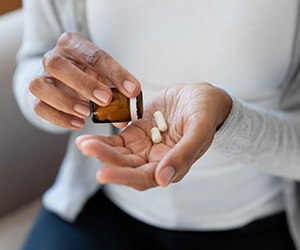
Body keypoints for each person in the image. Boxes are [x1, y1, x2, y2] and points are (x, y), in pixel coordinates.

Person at [13, 0, 300, 249]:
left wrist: (227, 118)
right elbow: (32, 61)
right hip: (102, 206)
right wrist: (55, 96)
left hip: (264, 224)